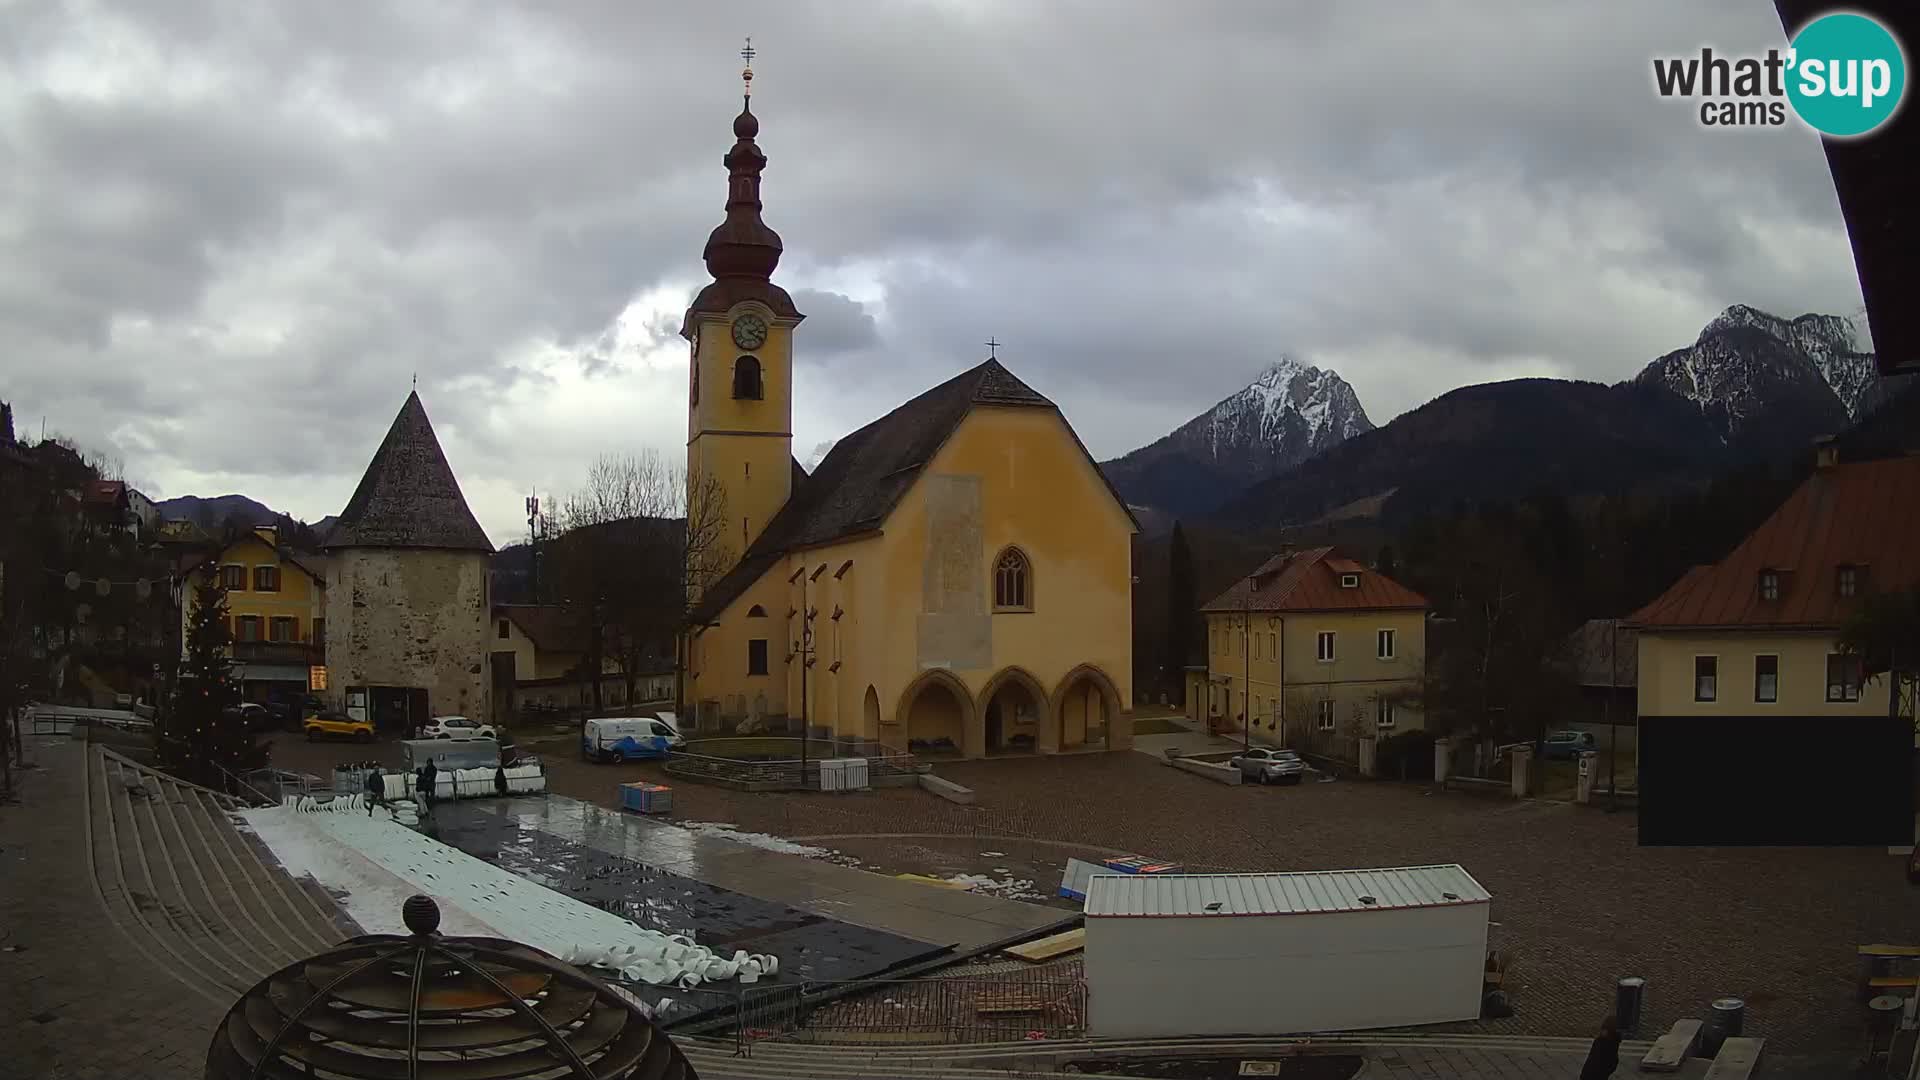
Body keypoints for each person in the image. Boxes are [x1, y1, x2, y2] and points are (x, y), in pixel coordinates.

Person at [1580, 1015, 1622, 1080]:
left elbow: (1592, 1059)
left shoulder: (1600, 1041)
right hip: (1602, 1074)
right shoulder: (1615, 1041)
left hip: (1593, 1074)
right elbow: (1613, 1061)